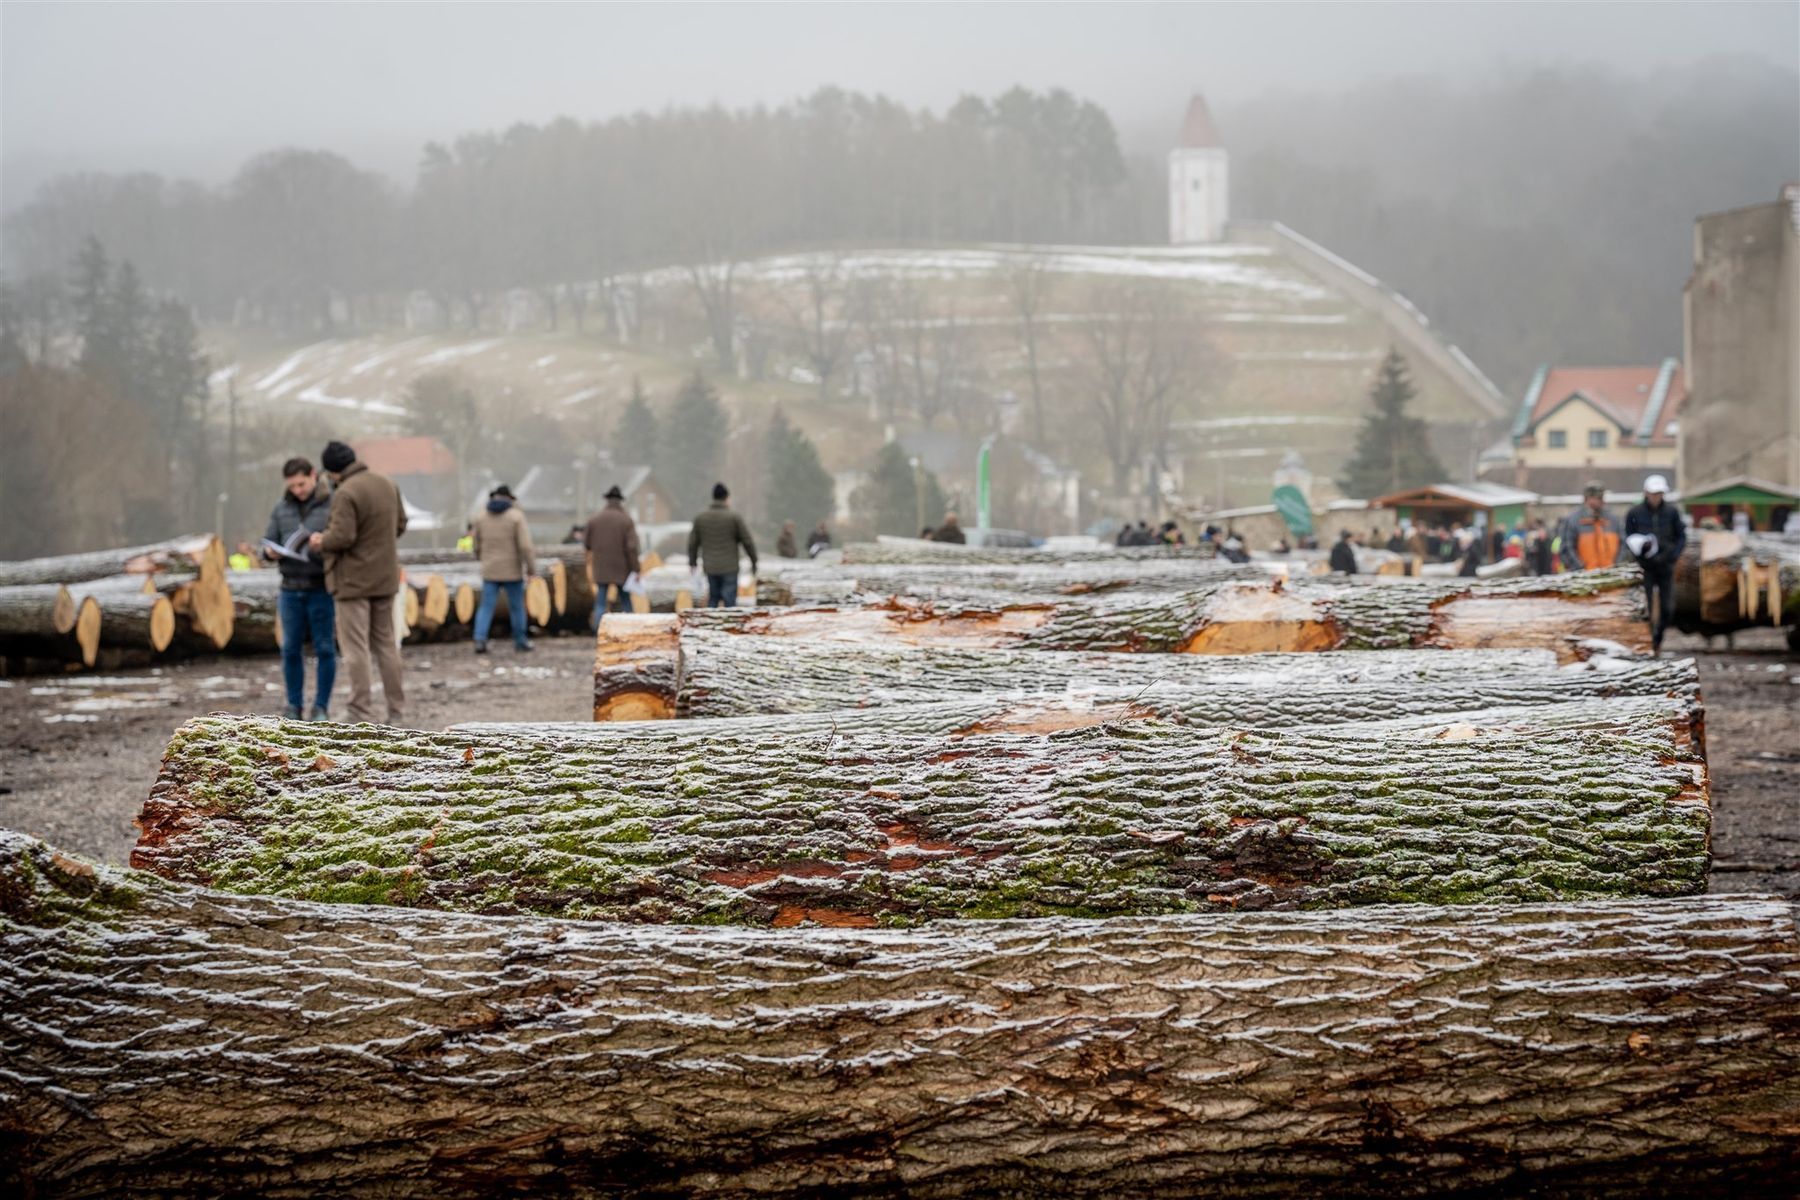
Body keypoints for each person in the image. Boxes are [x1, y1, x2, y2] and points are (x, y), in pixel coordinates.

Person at [310, 440, 406, 725]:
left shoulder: (346, 492)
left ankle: (360, 709)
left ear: (333, 471)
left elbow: (342, 537)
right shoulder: (387, 483)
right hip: (386, 577)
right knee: (386, 644)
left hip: (352, 582)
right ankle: (396, 710)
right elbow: (400, 525)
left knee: (356, 648)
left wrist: (319, 541)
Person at [263, 456, 335, 721]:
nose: (298, 490)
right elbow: (269, 540)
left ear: (313, 475)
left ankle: (321, 706)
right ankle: (293, 705)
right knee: (290, 648)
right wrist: (270, 552)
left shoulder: (332, 505)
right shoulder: (281, 508)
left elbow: (341, 539)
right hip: (290, 589)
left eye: (302, 484)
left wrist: (323, 543)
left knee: (325, 648)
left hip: (320, 587)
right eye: (292, 486)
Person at [1625, 474, 1687, 653]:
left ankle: (1658, 638)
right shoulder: (1635, 513)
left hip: (1665, 565)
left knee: (1667, 608)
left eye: (1659, 493)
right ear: (1646, 493)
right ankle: (1648, 640)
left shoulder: (1672, 513)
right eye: (1653, 493)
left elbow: (1681, 536)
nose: (1656, 497)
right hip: (1644, 566)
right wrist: (1639, 550)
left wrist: (1673, 555)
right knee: (1646, 606)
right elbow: (1628, 536)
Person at [471, 484, 537, 654]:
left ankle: (480, 639)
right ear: (510, 498)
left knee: (486, 607)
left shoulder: (481, 517)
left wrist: (481, 558)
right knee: (516, 607)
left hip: (490, 570)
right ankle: (520, 641)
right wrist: (531, 568)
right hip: (512, 570)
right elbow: (525, 546)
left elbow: (476, 544)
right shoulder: (516, 517)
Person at [688, 482, 757, 608]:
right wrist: (754, 560)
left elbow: (693, 543)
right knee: (729, 600)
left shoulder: (701, 518)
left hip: (710, 567)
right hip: (729, 567)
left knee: (713, 597)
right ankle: (729, 626)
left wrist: (692, 563)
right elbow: (747, 541)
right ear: (726, 498)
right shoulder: (734, 517)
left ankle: (709, 624)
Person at [583, 484, 640, 630]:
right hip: (622, 568)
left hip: (601, 567)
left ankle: (598, 630)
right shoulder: (626, 520)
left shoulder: (594, 519)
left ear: (607, 500)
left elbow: (587, 544)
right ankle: (631, 628)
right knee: (626, 601)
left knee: (601, 602)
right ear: (620, 501)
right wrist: (636, 569)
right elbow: (632, 548)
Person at [1558, 481, 1624, 572]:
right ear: (1585, 499)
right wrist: (1580, 568)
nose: (1595, 502)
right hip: (1585, 580)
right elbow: (1567, 548)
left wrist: (1617, 566)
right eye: (1592, 498)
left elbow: (1623, 545)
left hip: (1612, 578)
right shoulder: (1573, 520)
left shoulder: (1613, 520)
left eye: (1599, 498)